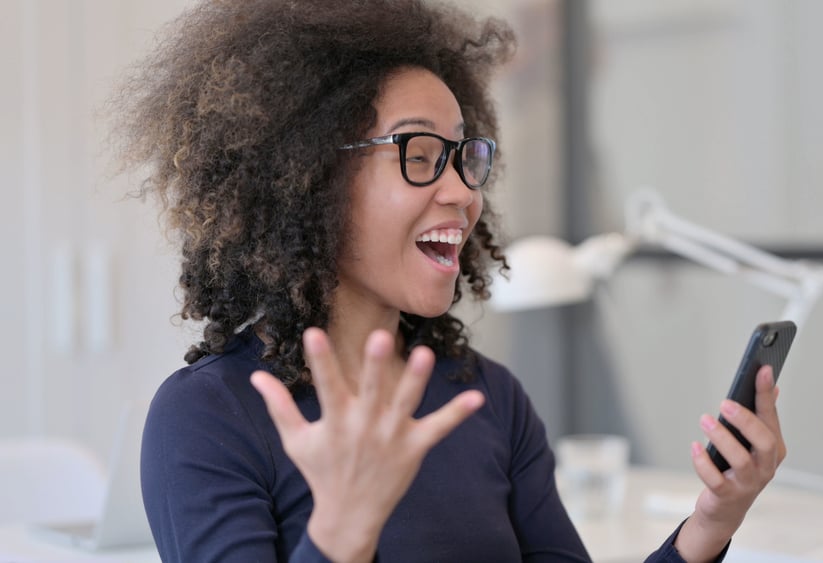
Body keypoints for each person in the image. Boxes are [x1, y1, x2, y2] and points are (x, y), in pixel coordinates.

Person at [115, 0, 786, 561]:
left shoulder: (487, 397)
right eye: (420, 154)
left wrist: (710, 522)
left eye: (465, 157)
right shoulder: (209, 417)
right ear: (310, 178)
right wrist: (343, 528)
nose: (462, 191)